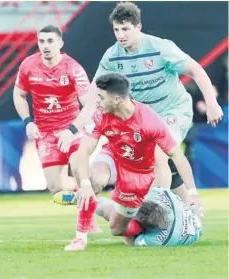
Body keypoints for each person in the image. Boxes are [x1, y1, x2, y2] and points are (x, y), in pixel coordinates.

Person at [65, 2, 224, 217]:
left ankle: (154, 214)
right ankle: (187, 210)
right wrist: (72, 129)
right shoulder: (112, 56)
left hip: (173, 111)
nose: (120, 35)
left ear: (138, 27)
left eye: (125, 29)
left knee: (160, 154)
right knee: (157, 162)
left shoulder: (160, 47)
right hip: (139, 119)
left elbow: (195, 70)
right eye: (116, 29)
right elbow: (93, 99)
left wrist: (212, 103)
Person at [64, 73, 197, 251]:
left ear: (118, 99)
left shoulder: (150, 122)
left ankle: (103, 205)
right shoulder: (100, 115)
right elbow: (84, 152)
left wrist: (192, 192)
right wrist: (85, 184)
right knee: (95, 179)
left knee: (118, 229)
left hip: (138, 174)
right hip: (113, 155)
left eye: (101, 98)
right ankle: (80, 237)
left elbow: (176, 157)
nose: (97, 102)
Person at [13, 24, 101, 233]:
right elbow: (19, 95)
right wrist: (28, 121)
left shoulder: (73, 68)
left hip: (72, 128)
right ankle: (91, 193)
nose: (45, 46)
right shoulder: (28, 65)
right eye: (42, 41)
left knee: (79, 168)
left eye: (50, 41)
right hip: (45, 133)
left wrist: (71, 130)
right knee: (56, 189)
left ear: (60, 44)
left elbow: (88, 104)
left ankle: (89, 219)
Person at [96, 187, 203, 247]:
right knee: (121, 211)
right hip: (196, 225)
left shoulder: (157, 240)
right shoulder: (163, 194)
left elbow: (129, 241)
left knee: (119, 217)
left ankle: (92, 201)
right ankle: (92, 201)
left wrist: (127, 228)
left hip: (192, 228)